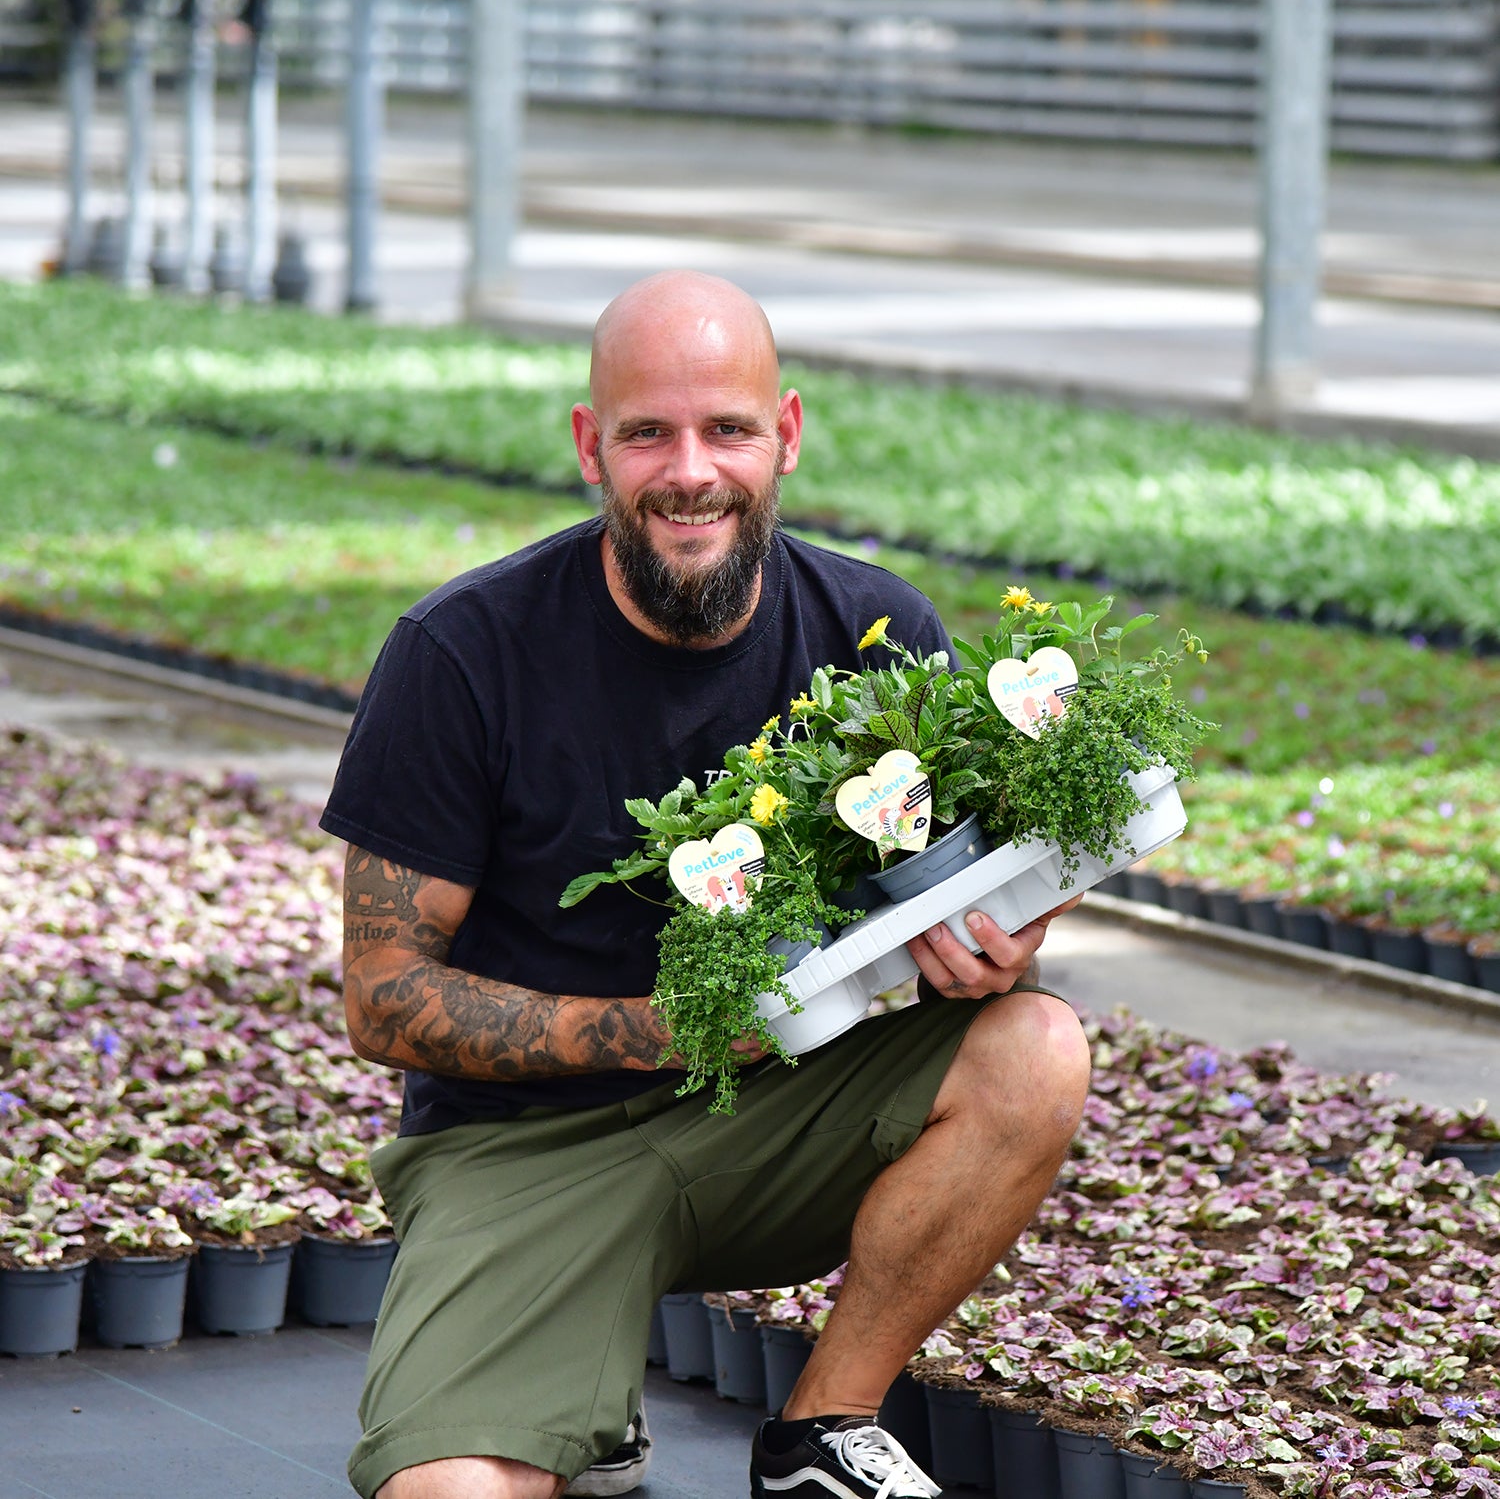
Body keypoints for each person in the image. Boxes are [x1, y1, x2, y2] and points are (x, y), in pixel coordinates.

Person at [320, 269, 1092, 1499]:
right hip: (522, 1157)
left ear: (783, 434)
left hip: (764, 1126)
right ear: (591, 448)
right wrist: (667, 1030)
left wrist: (994, 957)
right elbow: (382, 998)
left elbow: (964, 930)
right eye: (648, 434)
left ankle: (820, 1436)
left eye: (727, 429)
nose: (691, 471)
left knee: (1036, 1045)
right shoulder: (461, 653)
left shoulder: (878, 635)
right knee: (448, 1493)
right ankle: (578, 1394)